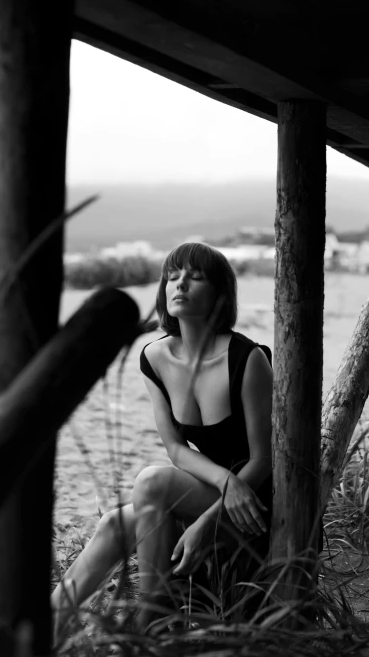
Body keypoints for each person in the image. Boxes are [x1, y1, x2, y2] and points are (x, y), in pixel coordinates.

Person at [52, 242, 273, 633]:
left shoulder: (248, 359)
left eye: (195, 277)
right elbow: (175, 448)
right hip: (217, 488)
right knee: (115, 525)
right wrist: (224, 481)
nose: (180, 284)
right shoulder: (155, 357)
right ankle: (40, 631)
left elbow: (264, 459)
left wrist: (209, 518)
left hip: (254, 505)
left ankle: (152, 619)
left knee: (152, 482)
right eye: (172, 277)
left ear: (220, 294)